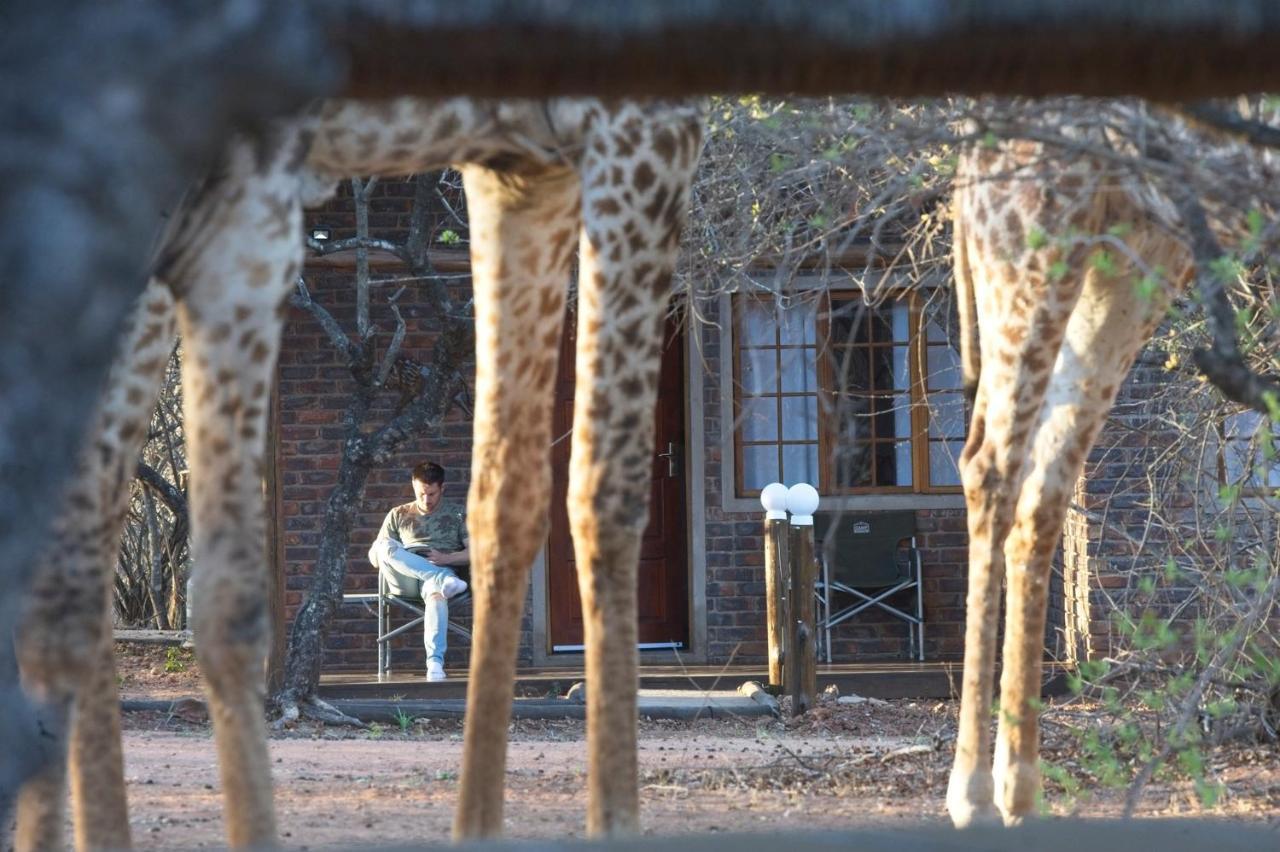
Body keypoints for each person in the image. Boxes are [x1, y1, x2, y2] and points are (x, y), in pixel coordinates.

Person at [368, 461, 469, 681]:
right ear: (414, 486)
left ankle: (434, 664)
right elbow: (375, 558)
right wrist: (389, 553)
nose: (426, 500)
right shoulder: (398, 514)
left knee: (436, 597)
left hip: (439, 566)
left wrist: (446, 558)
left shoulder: (458, 514)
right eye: (421, 493)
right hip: (404, 577)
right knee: (384, 545)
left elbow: (477, 553)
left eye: (432, 494)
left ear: (442, 488)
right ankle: (443, 579)